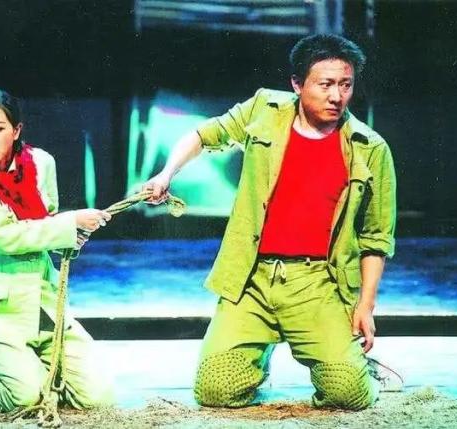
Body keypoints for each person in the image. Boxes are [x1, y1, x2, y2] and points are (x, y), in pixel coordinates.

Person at [143, 34, 401, 410]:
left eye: (345, 85)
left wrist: (366, 305)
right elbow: (203, 135)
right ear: (297, 84)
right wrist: (166, 175)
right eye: (325, 84)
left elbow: (377, 239)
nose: (337, 96)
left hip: (317, 283)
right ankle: (257, 355)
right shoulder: (264, 109)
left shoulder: (369, 147)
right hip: (252, 279)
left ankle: (360, 369)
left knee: (347, 393)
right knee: (215, 390)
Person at [0, 88, 114, 411]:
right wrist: (68, 224)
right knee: (26, 397)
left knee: (97, 395)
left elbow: (46, 223)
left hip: (42, 304)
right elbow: (4, 236)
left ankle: (27, 365)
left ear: (16, 130)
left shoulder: (42, 163)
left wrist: (71, 236)